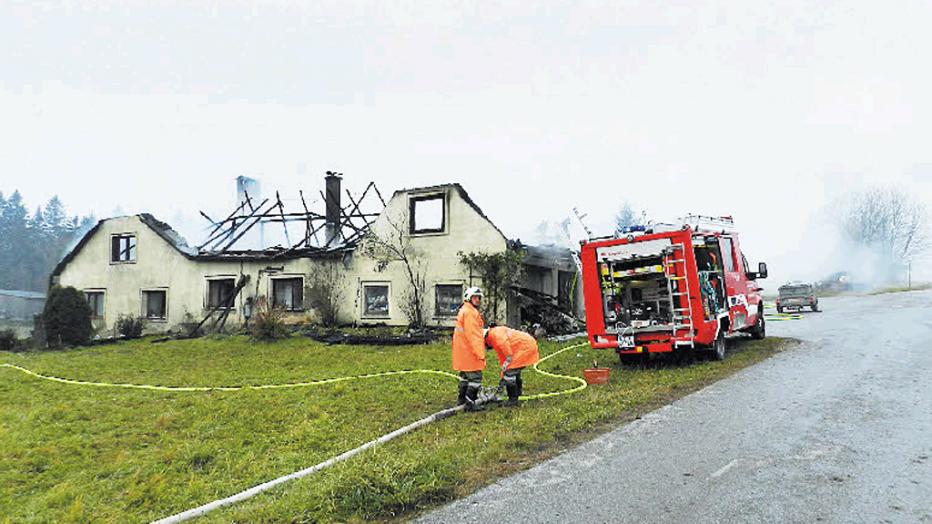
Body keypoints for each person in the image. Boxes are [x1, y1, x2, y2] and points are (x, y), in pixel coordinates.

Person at [484, 325, 540, 406]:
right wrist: (504, 369)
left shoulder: (494, 336)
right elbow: (502, 355)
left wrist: (508, 361)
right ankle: (518, 393)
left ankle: (513, 400)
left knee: (510, 373)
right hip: (526, 344)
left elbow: (504, 345)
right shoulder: (494, 333)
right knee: (512, 370)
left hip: (525, 347)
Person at [452, 286, 486, 411]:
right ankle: (469, 404)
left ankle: (461, 400)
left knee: (464, 377)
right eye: (475, 297)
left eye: (479, 297)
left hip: (462, 351)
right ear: (469, 298)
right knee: (475, 378)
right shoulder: (470, 313)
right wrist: (480, 354)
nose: (478, 300)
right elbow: (474, 336)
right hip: (470, 352)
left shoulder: (464, 310)